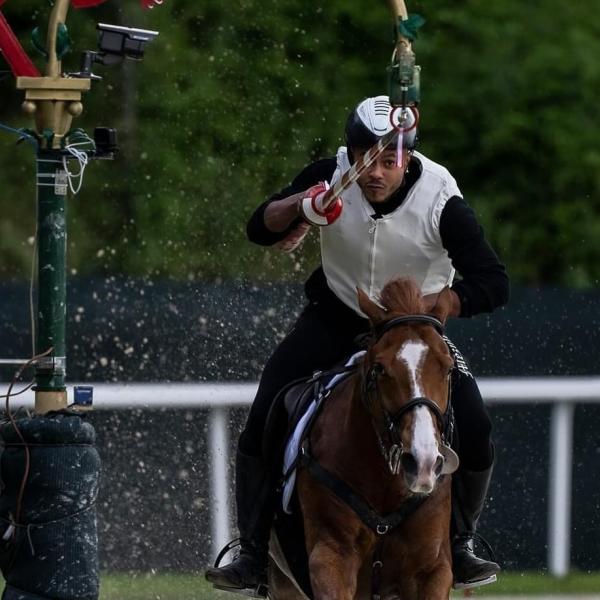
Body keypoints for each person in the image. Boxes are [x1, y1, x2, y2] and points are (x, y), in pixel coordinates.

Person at [205, 95, 509, 593]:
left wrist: (443, 303)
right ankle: (254, 553)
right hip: (335, 318)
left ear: (406, 158)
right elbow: (259, 227)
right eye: (364, 157)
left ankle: (460, 543)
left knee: (475, 426)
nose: (374, 172)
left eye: (387, 160)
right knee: (265, 415)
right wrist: (302, 207)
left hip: (415, 330)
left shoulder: (441, 198)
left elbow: (494, 281)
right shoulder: (330, 175)